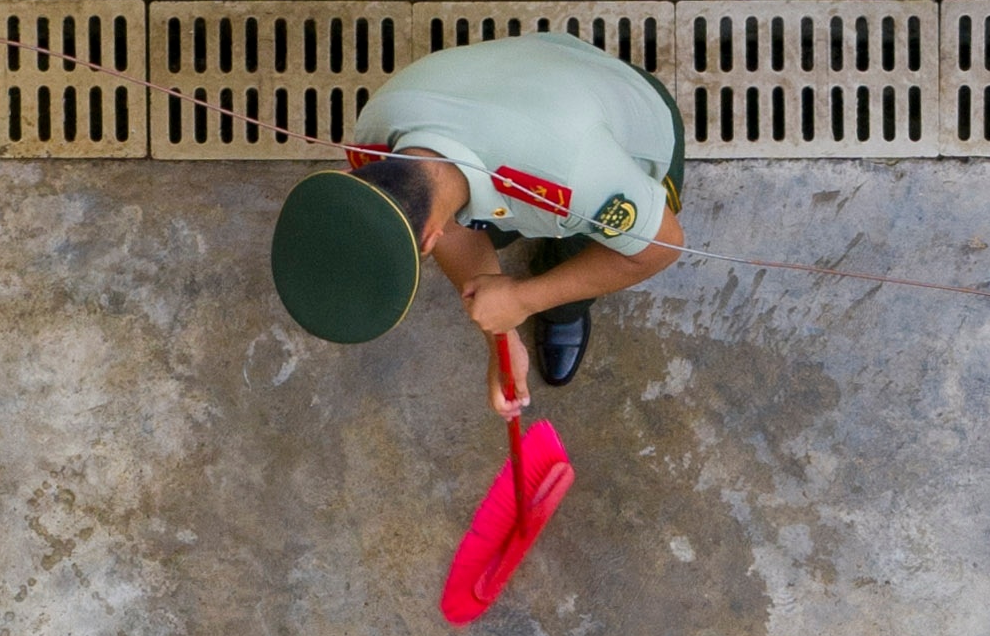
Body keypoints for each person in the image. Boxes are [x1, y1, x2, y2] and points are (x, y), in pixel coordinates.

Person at [266, 30, 687, 385]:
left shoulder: (574, 182)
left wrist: (525, 299)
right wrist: (500, 338)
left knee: (579, 252)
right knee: (489, 224)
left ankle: (563, 311)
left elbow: (662, 246)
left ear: (430, 239)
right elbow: (451, 223)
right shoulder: (377, 126)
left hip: (630, 125)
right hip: (533, 88)